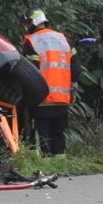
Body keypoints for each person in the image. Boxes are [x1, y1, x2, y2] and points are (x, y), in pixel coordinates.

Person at [22, 9, 73, 156]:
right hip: (62, 98)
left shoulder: (31, 41)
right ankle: (60, 165)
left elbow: (30, 71)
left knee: (42, 136)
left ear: (32, 22)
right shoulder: (64, 39)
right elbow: (75, 70)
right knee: (59, 133)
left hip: (41, 97)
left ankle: (45, 167)